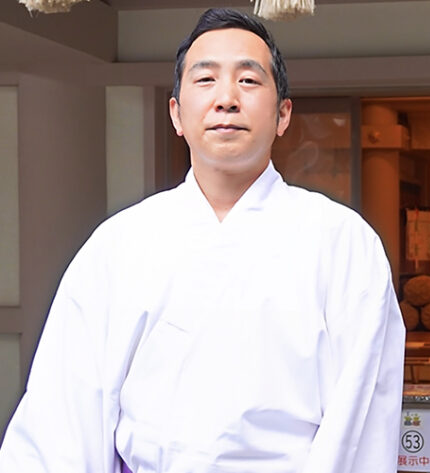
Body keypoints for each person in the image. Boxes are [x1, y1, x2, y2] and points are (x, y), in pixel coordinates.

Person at [0, 8, 405, 473]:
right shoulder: (119, 244)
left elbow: (361, 424)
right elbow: (64, 416)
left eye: (249, 81)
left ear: (283, 115)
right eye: (205, 80)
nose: (227, 99)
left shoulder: (342, 243)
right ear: (176, 113)